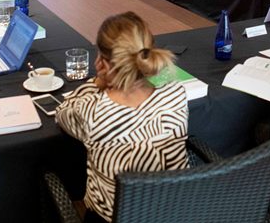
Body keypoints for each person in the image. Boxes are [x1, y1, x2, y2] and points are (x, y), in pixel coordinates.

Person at [56, 12, 188, 222]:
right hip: (172, 214)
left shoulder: (92, 112)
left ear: (104, 64)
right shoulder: (176, 93)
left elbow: (62, 112)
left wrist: (96, 83)